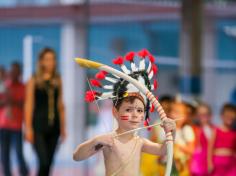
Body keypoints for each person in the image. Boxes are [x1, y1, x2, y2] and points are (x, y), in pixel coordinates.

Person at [73, 49, 176, 176]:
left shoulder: (140, 142)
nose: (135, 115)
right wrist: (96, 140)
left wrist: (171, 133)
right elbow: (77, 156)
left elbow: (163, 150)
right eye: (128, 110)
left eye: (139, 111)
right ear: (115, 112)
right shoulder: (109, 140)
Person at [24, 47, 66, 176]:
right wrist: (28, 128)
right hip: (38, 127)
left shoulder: (58, 79)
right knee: (43, 162)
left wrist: (63, 129)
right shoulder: (34, 80)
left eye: (53, 59)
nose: (51, 62)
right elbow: (29, 105)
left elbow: (60, 105)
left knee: (49, 163)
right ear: (41, 62)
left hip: (54, 127)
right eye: (47, 59)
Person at [0, 62, 29, 176]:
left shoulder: (23, 87)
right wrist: (7, 101)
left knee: (18, 153)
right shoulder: (5, 85)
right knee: (4, 155)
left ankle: (24, 172)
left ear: (20, 73)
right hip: (3, 125)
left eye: (16, 71)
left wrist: (13, 101)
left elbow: (25, 104)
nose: (14, 73)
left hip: (17, 126)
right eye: (12, 71)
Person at [208, 103, 236, 176]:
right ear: (222, 116)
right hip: (218, 162)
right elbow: (210, 148)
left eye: (232, 118)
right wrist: (209, 163)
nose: (230, 119)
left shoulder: (234, 132)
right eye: (227, 116)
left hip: (231, 163)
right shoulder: (216, 130)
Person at [170, 101, 195, 176]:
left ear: (184, 116)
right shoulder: (166, 130)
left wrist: (177, 146)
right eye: (172, 111)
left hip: (181, 167)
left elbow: (191, 149)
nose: (173, 115)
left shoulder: (186, 129)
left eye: (177, 112)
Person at [190, 103, 214, 176]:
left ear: (210, 116)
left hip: (209, 163)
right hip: (196, 164)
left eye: (204, 114)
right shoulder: (192, 128)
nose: (201, 117)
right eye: (199, 115)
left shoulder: (214, 130)